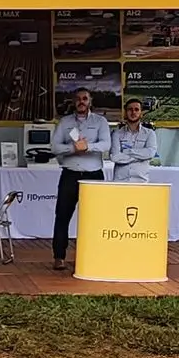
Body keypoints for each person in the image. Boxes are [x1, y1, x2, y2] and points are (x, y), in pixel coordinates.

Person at [50, 88, 112, 271]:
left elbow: (106, 144)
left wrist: (87, 147)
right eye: (78, 99)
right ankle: (59, 256)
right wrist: (73, 149)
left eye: (85, 98)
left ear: (90, 101)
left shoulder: (100, 121)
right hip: (70, 174)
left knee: (96, 217)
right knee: (62, 216)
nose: (81, 102)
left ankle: (95, 254)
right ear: (73, 101)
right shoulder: (65, 122)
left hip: (93, 175)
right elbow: (54, 147)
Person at [111, 99, 160, 182]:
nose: (133, 112)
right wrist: (141, 157)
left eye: (136, 109)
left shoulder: (149, 133)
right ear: (125, 113)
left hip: (141, 180)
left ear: (141, 113)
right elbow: (114, 157)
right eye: (130, 109)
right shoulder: (117, 133)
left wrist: (127, 152)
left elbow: (150, 153)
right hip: (120, 181)